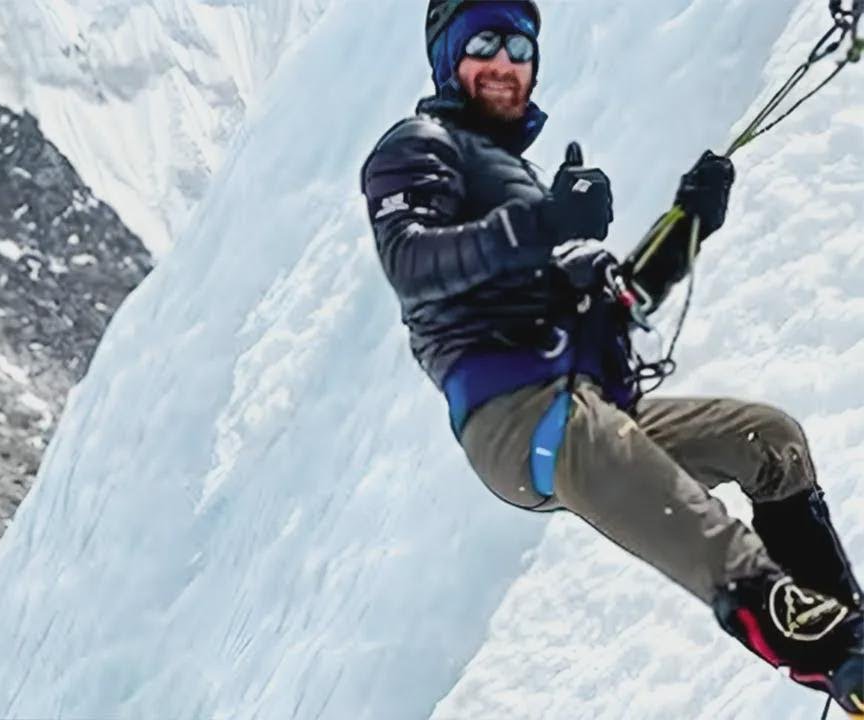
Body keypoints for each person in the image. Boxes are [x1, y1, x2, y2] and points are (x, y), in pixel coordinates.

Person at [359, 0, 864, 714]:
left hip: (582, 403)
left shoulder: (517, 174)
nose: (507, 62)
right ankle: (840, 659)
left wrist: (688, 224)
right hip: (517, 420)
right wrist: (544, 223)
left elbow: (613, 305)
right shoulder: (417, 147)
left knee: (768, 441)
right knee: (703, 532)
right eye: (485, 43)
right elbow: (412, 260)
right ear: (448, 58)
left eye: (521, 47)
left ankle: (849, 639)